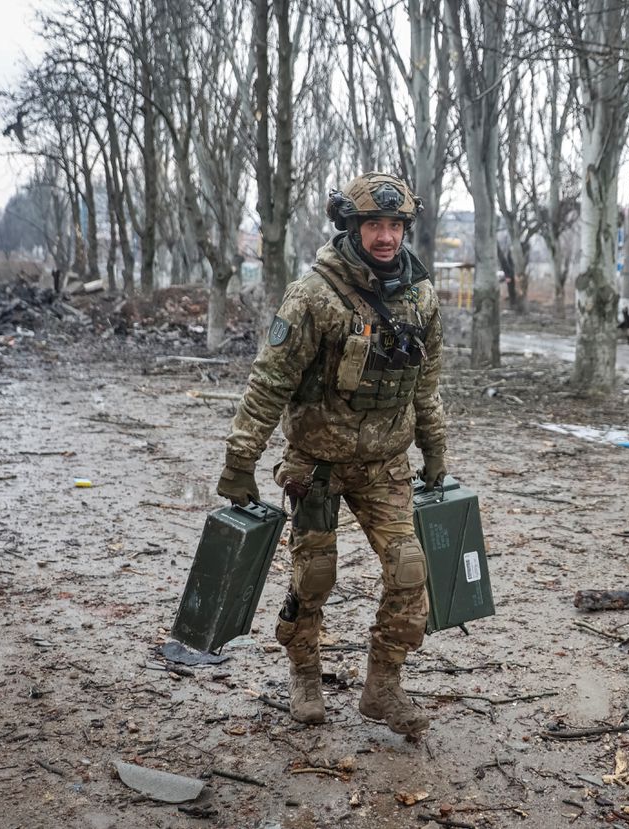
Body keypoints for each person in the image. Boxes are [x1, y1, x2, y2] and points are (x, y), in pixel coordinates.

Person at [216, 172, 447, 735]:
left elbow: (426, 385)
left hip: (385, 465)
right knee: (314, 575)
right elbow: (268, 382)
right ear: (351, 226)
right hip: (316, 466)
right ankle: (304, 673)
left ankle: (383, 686)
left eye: (395, 225)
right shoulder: (314, 296)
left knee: (410, 571)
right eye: (374, 225)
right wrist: (240, 461)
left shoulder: (421, 297)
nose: (386, 237)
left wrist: (435, 449)